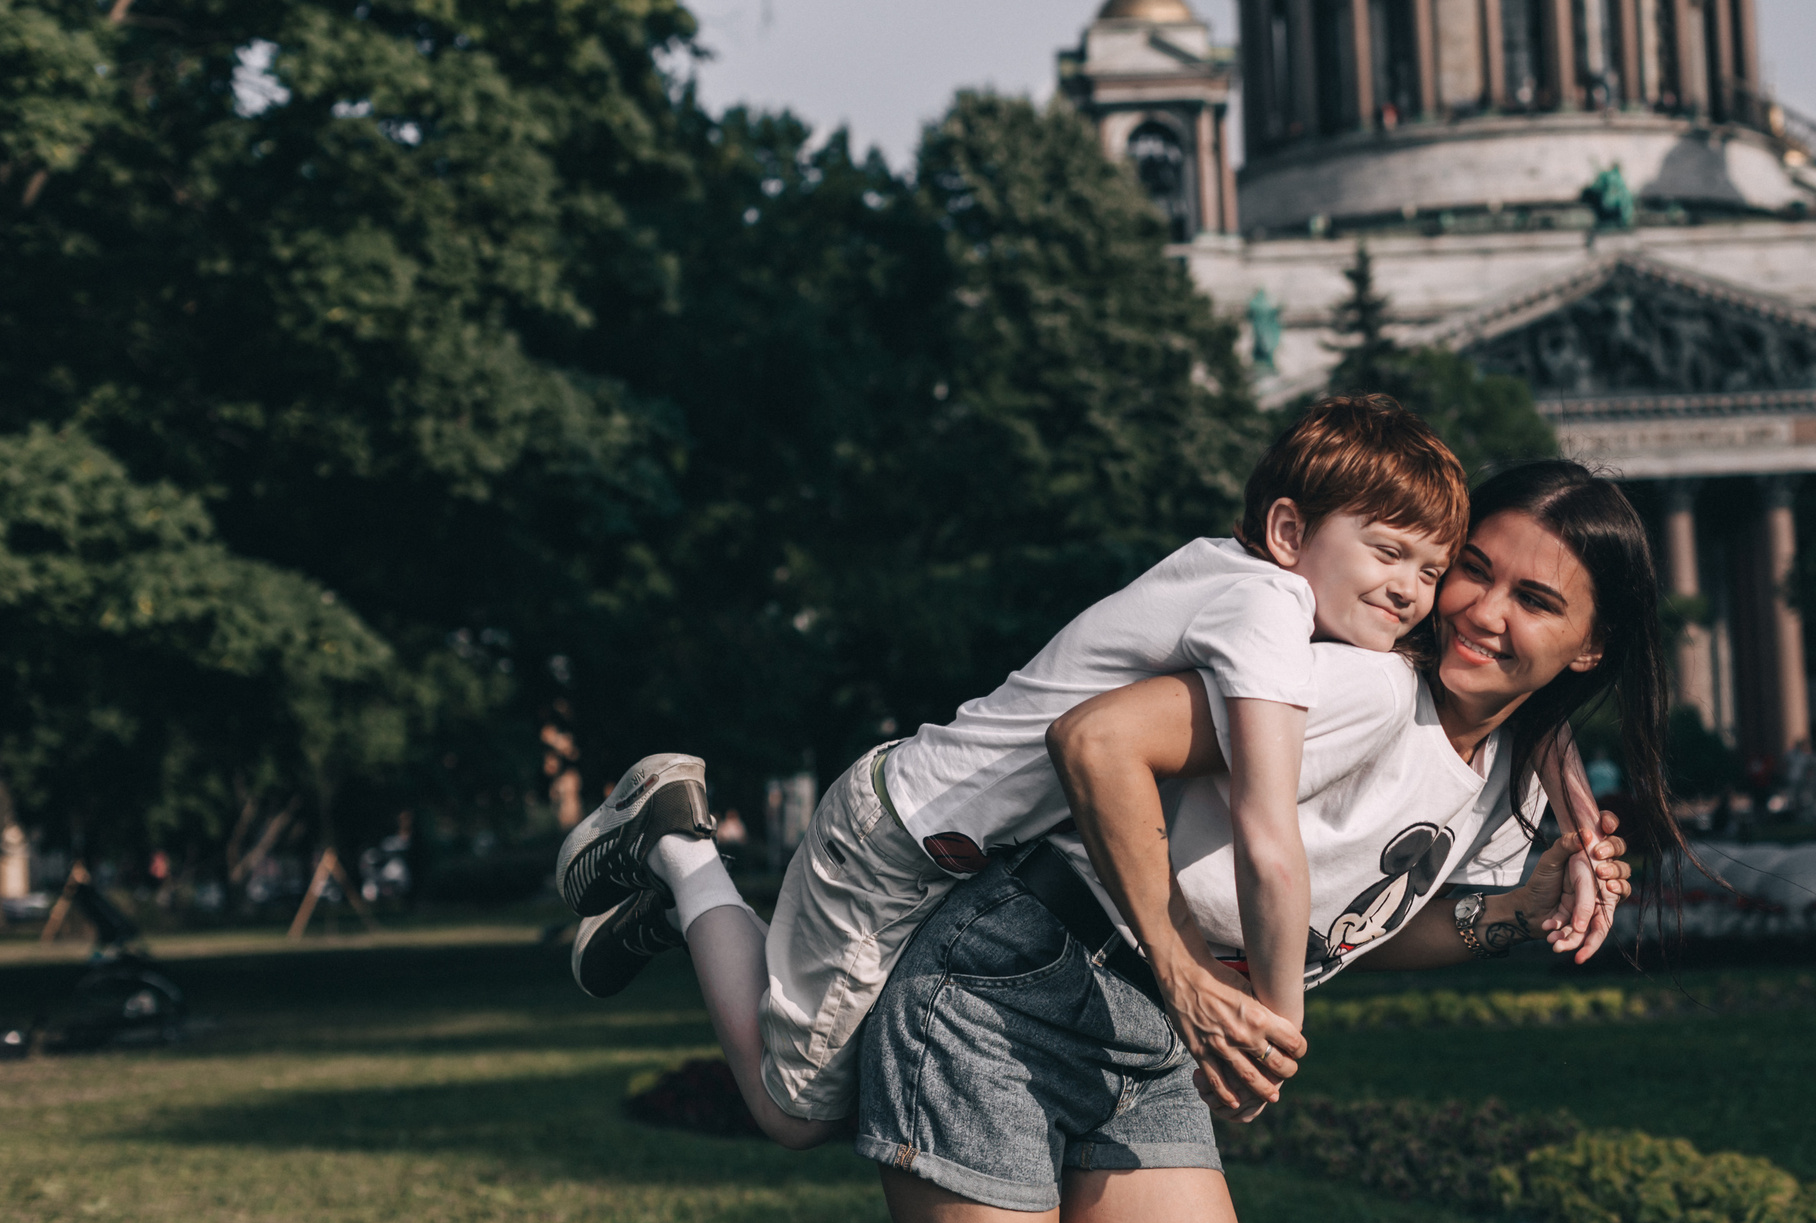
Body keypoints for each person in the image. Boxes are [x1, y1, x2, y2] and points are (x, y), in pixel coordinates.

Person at [552, 398, 1600, 1148]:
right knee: (793, 1111)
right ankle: (680, 844)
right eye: (1389, 555)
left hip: (962, 851)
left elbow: (1508, 707)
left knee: (864, 1080)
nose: (1416, 595)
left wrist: (1574, 802)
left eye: (1430, 568)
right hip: (902, 835)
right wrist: (1274, 1031)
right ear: (1290, 531)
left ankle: (669, 901)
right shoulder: (1265, 610)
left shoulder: (1271, 597)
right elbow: (1266, 837)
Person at [863, 460, 1674, 1223]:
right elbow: (1100, 739)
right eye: (1475, 570)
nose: (1483, 611)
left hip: (1154, 1031)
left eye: (1533, 599)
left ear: (1590, 645)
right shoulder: (1357, 685)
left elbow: (1360, 928)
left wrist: (1519, 910)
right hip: (1012, 985)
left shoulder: (1515, 785)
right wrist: (1185, 972)